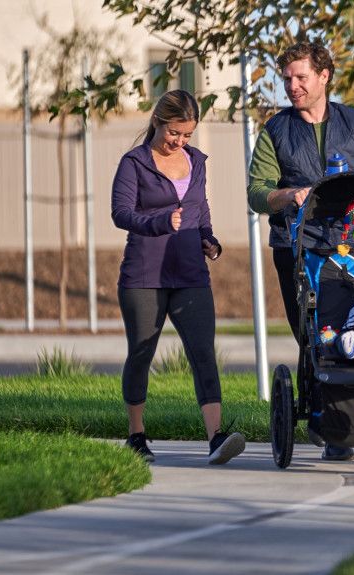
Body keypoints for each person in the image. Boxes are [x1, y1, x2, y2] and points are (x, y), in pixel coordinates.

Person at [246, 41, 354, 461]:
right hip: (297, 248)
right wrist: (288, 195)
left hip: (353, 248)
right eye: (287, 79)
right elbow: (257, 193)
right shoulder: (276, 131)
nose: (292, 86)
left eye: (301, 77)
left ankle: (347, 421)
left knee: (351, 326)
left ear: (324, 76)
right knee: (313, 334)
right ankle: (326, 421)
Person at [111, 89, 245, 465]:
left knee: (203, 352)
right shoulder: (134, 163)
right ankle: (136, 436)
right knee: (142, 352)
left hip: (190, 272)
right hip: (144, 274)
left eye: (186, 135)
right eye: (174, 133)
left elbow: (200, 210)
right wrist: (157, 222)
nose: (179, 141)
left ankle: (216, 437)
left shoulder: (196, 162)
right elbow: (120, 213)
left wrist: (209, 241)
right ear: (158, 120)